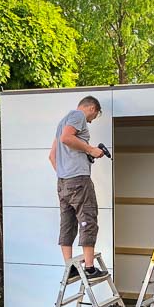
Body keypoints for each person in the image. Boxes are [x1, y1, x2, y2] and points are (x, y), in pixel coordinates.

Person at [49, 95, 108, 280]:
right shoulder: (78, 115)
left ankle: (70, 268)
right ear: (92, 108)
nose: (91, 120)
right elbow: (67, 138)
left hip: (63, 182)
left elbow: (52, 156)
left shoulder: (61, 122)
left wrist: (65, 172)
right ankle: (90, 269)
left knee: (67, 223)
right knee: (88, 218)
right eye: (95, 115)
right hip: (79, 180)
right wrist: (90, 150)